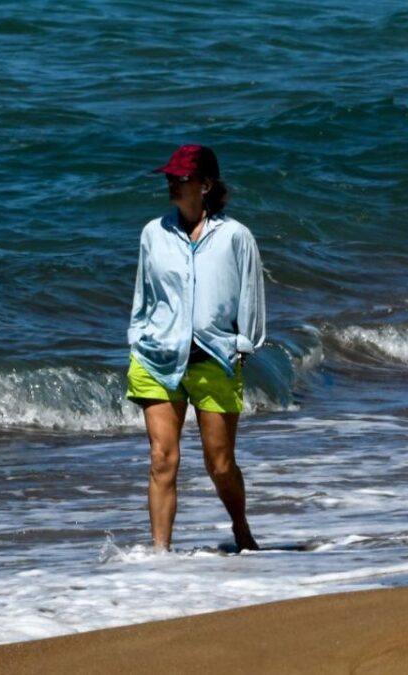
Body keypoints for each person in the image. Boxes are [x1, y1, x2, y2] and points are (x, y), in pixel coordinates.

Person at [126, 144, 265, 552]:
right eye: (170, 176)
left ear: (205, 185)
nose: (172, 182)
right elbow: (143, 296)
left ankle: (240, 529)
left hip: (214, 360)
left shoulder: (235, 237)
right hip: (158, 358)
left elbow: (251, 299)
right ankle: (159, 555)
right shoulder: (154, 233)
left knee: (220, 465)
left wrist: (243, 346)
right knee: (162, 459)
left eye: (180, 177)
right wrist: (138, 338)